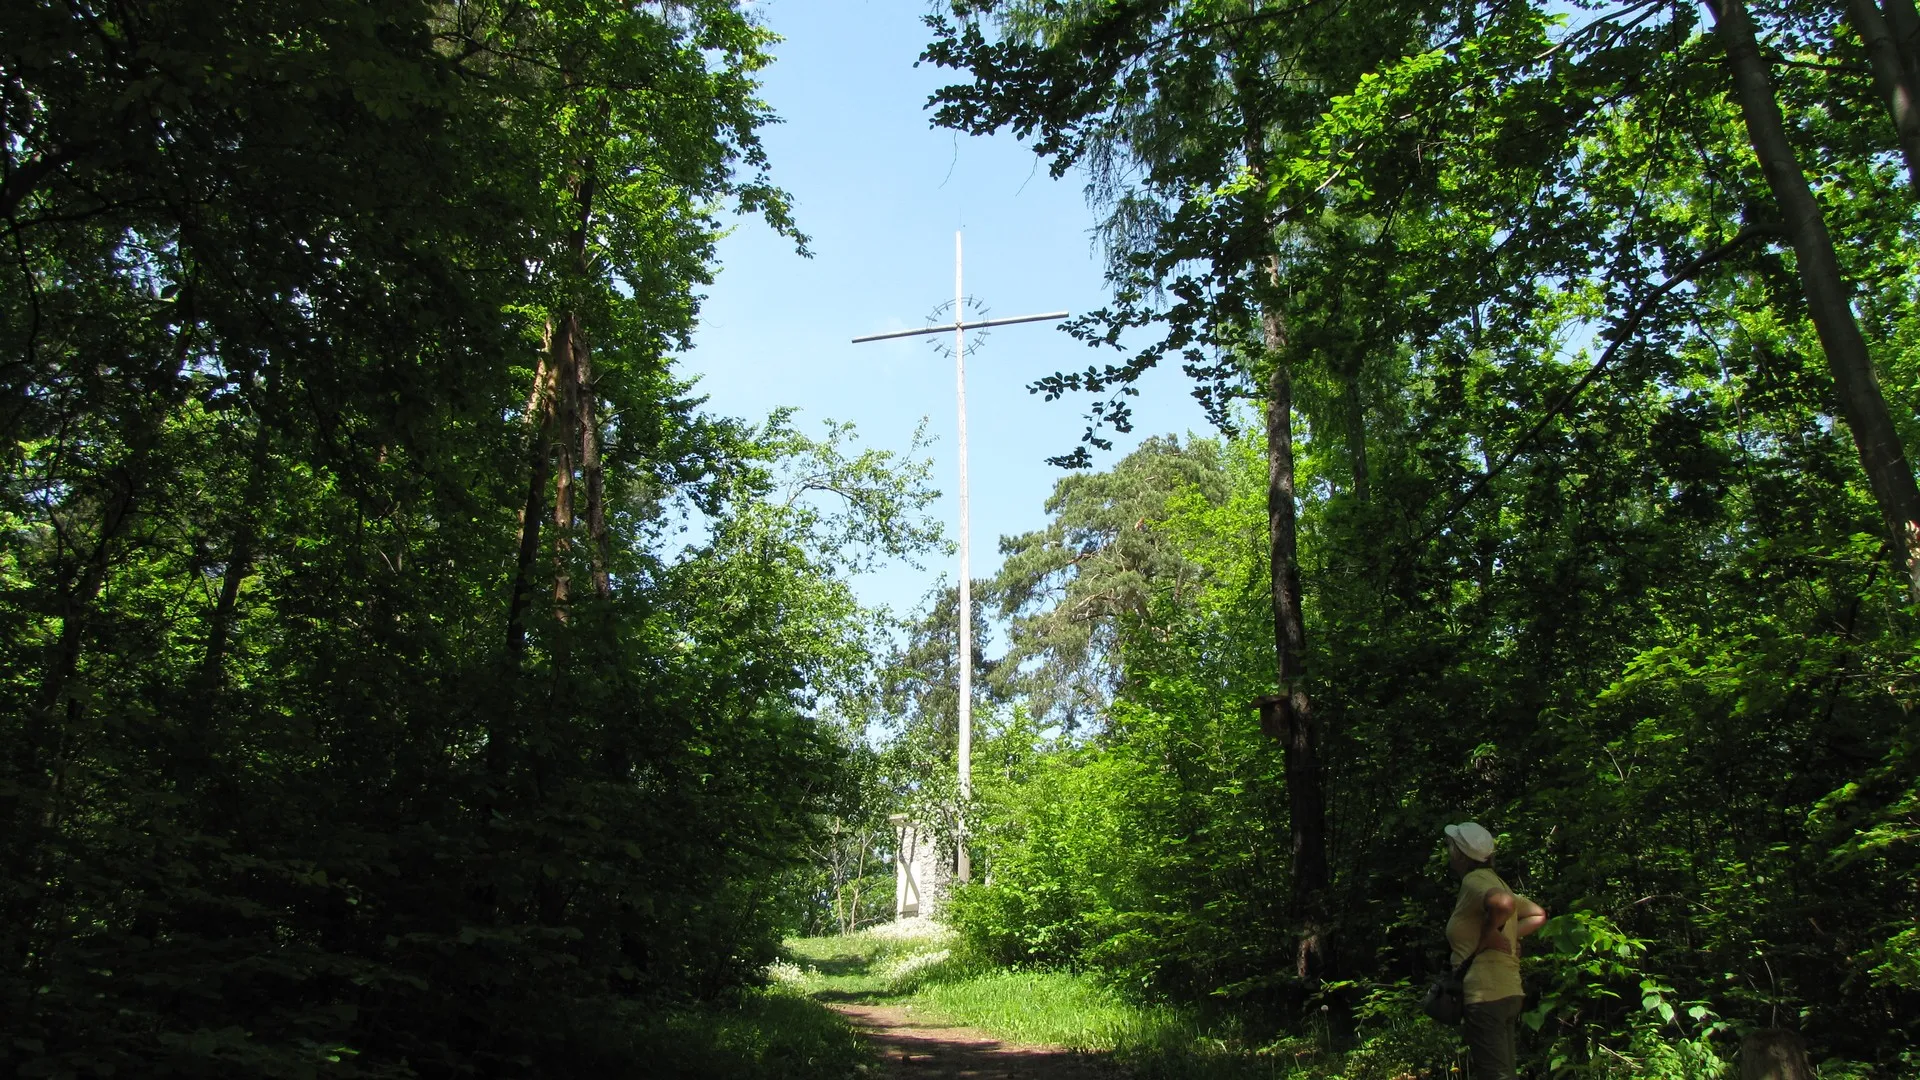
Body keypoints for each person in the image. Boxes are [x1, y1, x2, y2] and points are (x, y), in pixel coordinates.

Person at [1443, 822, 1547, 1080]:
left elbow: (1503, 904)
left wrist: (1490, 933)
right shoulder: (1496, 880)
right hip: (1509, 992)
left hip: (1485, 995)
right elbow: (1536, 914)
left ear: (1459, 854)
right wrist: (1507, 933)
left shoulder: (1474, 879)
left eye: (1451, 846)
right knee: (1505, 1073)